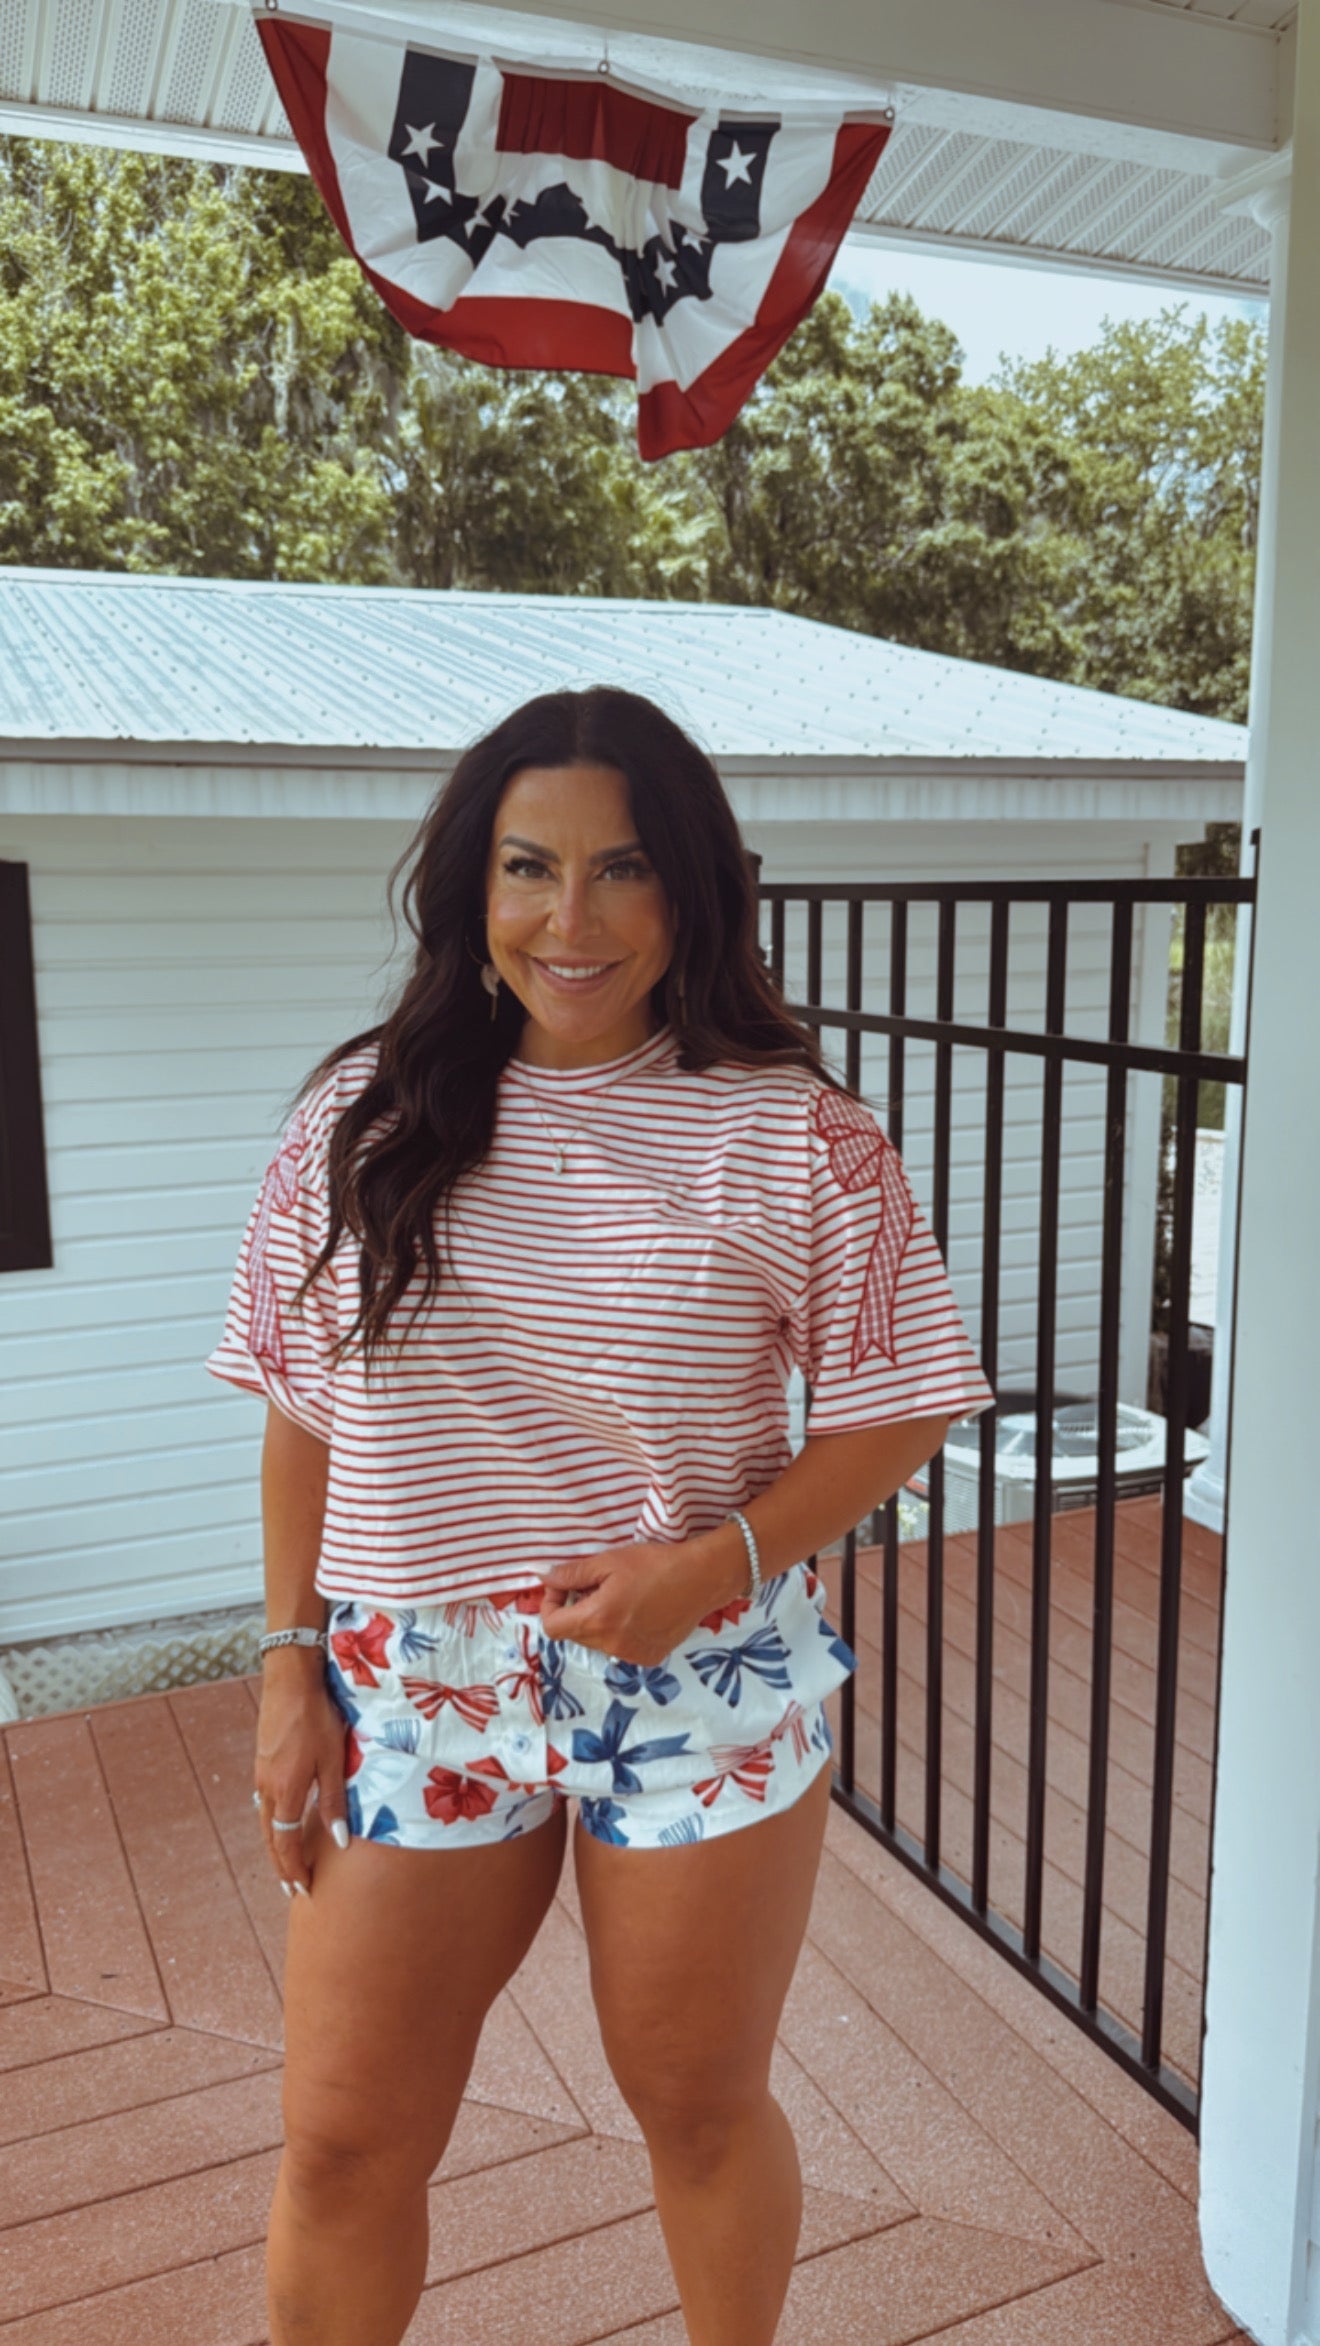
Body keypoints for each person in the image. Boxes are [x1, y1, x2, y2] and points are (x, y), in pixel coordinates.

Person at [207, 685, 992, 2346]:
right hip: (415, 1679)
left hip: (693, 1668)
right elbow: (299, 1401)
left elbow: (899, 1396)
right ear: (471, 891)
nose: (571, 919)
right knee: (346, 2136)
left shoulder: (799, 1133)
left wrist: (713, 1564)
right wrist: (288, 1667)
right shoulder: (360, 1118)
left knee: (697, 2106)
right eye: (528, 867)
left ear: (691, 890)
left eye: (624, 870)